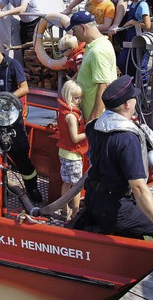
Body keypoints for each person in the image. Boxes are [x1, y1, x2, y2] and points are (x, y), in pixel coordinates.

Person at [79, 75, 153, 256]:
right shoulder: (126, 139)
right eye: (134, 98)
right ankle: (148, 256)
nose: (135, 101)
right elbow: (139, 188)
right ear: (126, 105)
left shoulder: (94, 127)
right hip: (116, 208)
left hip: (94, 199)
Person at [0, 37, 42, 203]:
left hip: (11, 120)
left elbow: (24, 88)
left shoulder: (13, 65)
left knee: (21, 155)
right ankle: (2, 187)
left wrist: (5, 99)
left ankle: (32, 189)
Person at [62, 11, 117, 121]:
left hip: (97, 119)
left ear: (83, 27)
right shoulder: (95, 45)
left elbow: (104, 86)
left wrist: (93, 120)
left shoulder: (98, 51)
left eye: (74, 29)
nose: (73, 33)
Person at [56, 80, 88, 221]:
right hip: (72, 155)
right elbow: (75, 138)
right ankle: (75, 212)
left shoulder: (64, 112)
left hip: (64, 151)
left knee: (66, 183)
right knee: (76, 186)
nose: (79, 101)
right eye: (76, 98)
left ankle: (64, 210)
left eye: (80, 97)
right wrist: (89, 132)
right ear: (69, 96)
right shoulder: (71, 116)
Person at [117, 0, 151, 79]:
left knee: (138, 66)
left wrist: (133, 23)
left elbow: (148, 25)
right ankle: (130, 87)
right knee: (123, 63)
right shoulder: (133, 4)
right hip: (130, 40)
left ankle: (142, 89)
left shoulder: (142, 5)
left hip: (138, 40)